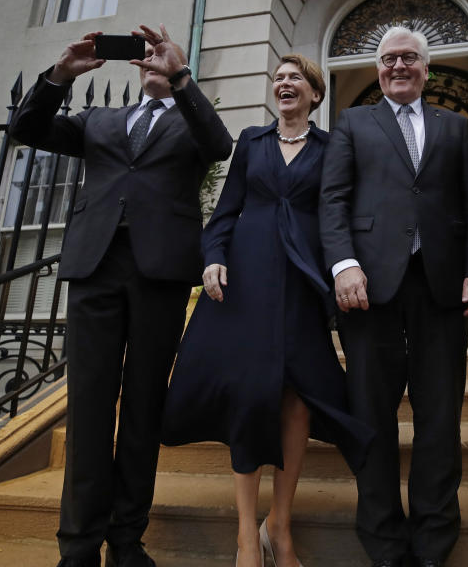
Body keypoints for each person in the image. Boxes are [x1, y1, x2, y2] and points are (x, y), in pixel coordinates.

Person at [10, 24, 233, 567]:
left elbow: (220, 145)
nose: (153, 61)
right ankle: (79, 546)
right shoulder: (98, 121)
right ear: (134, 68)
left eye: (164, 56)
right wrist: (61, 73)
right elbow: (26, 127)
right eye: (149, 56)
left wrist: (181, 75)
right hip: (95, 269)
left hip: (159, 275)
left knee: (142, 409)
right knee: (88, 408)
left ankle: (126, 539)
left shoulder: (189, 119)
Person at [161, 54, 374, 567]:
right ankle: (243, 536)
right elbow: (225, 210)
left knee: (299, 398)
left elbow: (338, 212)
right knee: (250, 397)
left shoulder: (331, 147)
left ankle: (279, 524)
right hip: (246, 277)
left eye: (294, 78)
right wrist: (212, 259)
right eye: (277, 78)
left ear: (314, 94)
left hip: (301, 280)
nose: (283, 84)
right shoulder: (251, 142)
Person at [319, 26, 468, 567]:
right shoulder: (353, 122)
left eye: (409, 58)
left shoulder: (456, 126)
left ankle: (434, 541)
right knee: (371, 415)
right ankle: (384, 542)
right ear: (377, 69)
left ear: (426, 67)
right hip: (368, 289)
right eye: (389, 58)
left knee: (440, 417)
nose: (399, 66)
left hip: (441, 287)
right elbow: (334, 200)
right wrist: (344, 265)